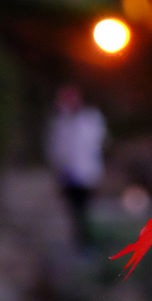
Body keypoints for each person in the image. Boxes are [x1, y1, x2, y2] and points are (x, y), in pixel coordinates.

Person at [46, 84, 106, 248]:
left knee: (86, 209)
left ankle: (88, 241)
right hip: (68, 173)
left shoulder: (91, 118)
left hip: (87, 173)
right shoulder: (60, 122)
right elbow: (56, 149)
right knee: (73, 210)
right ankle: (80, 242)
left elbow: (95, 143)